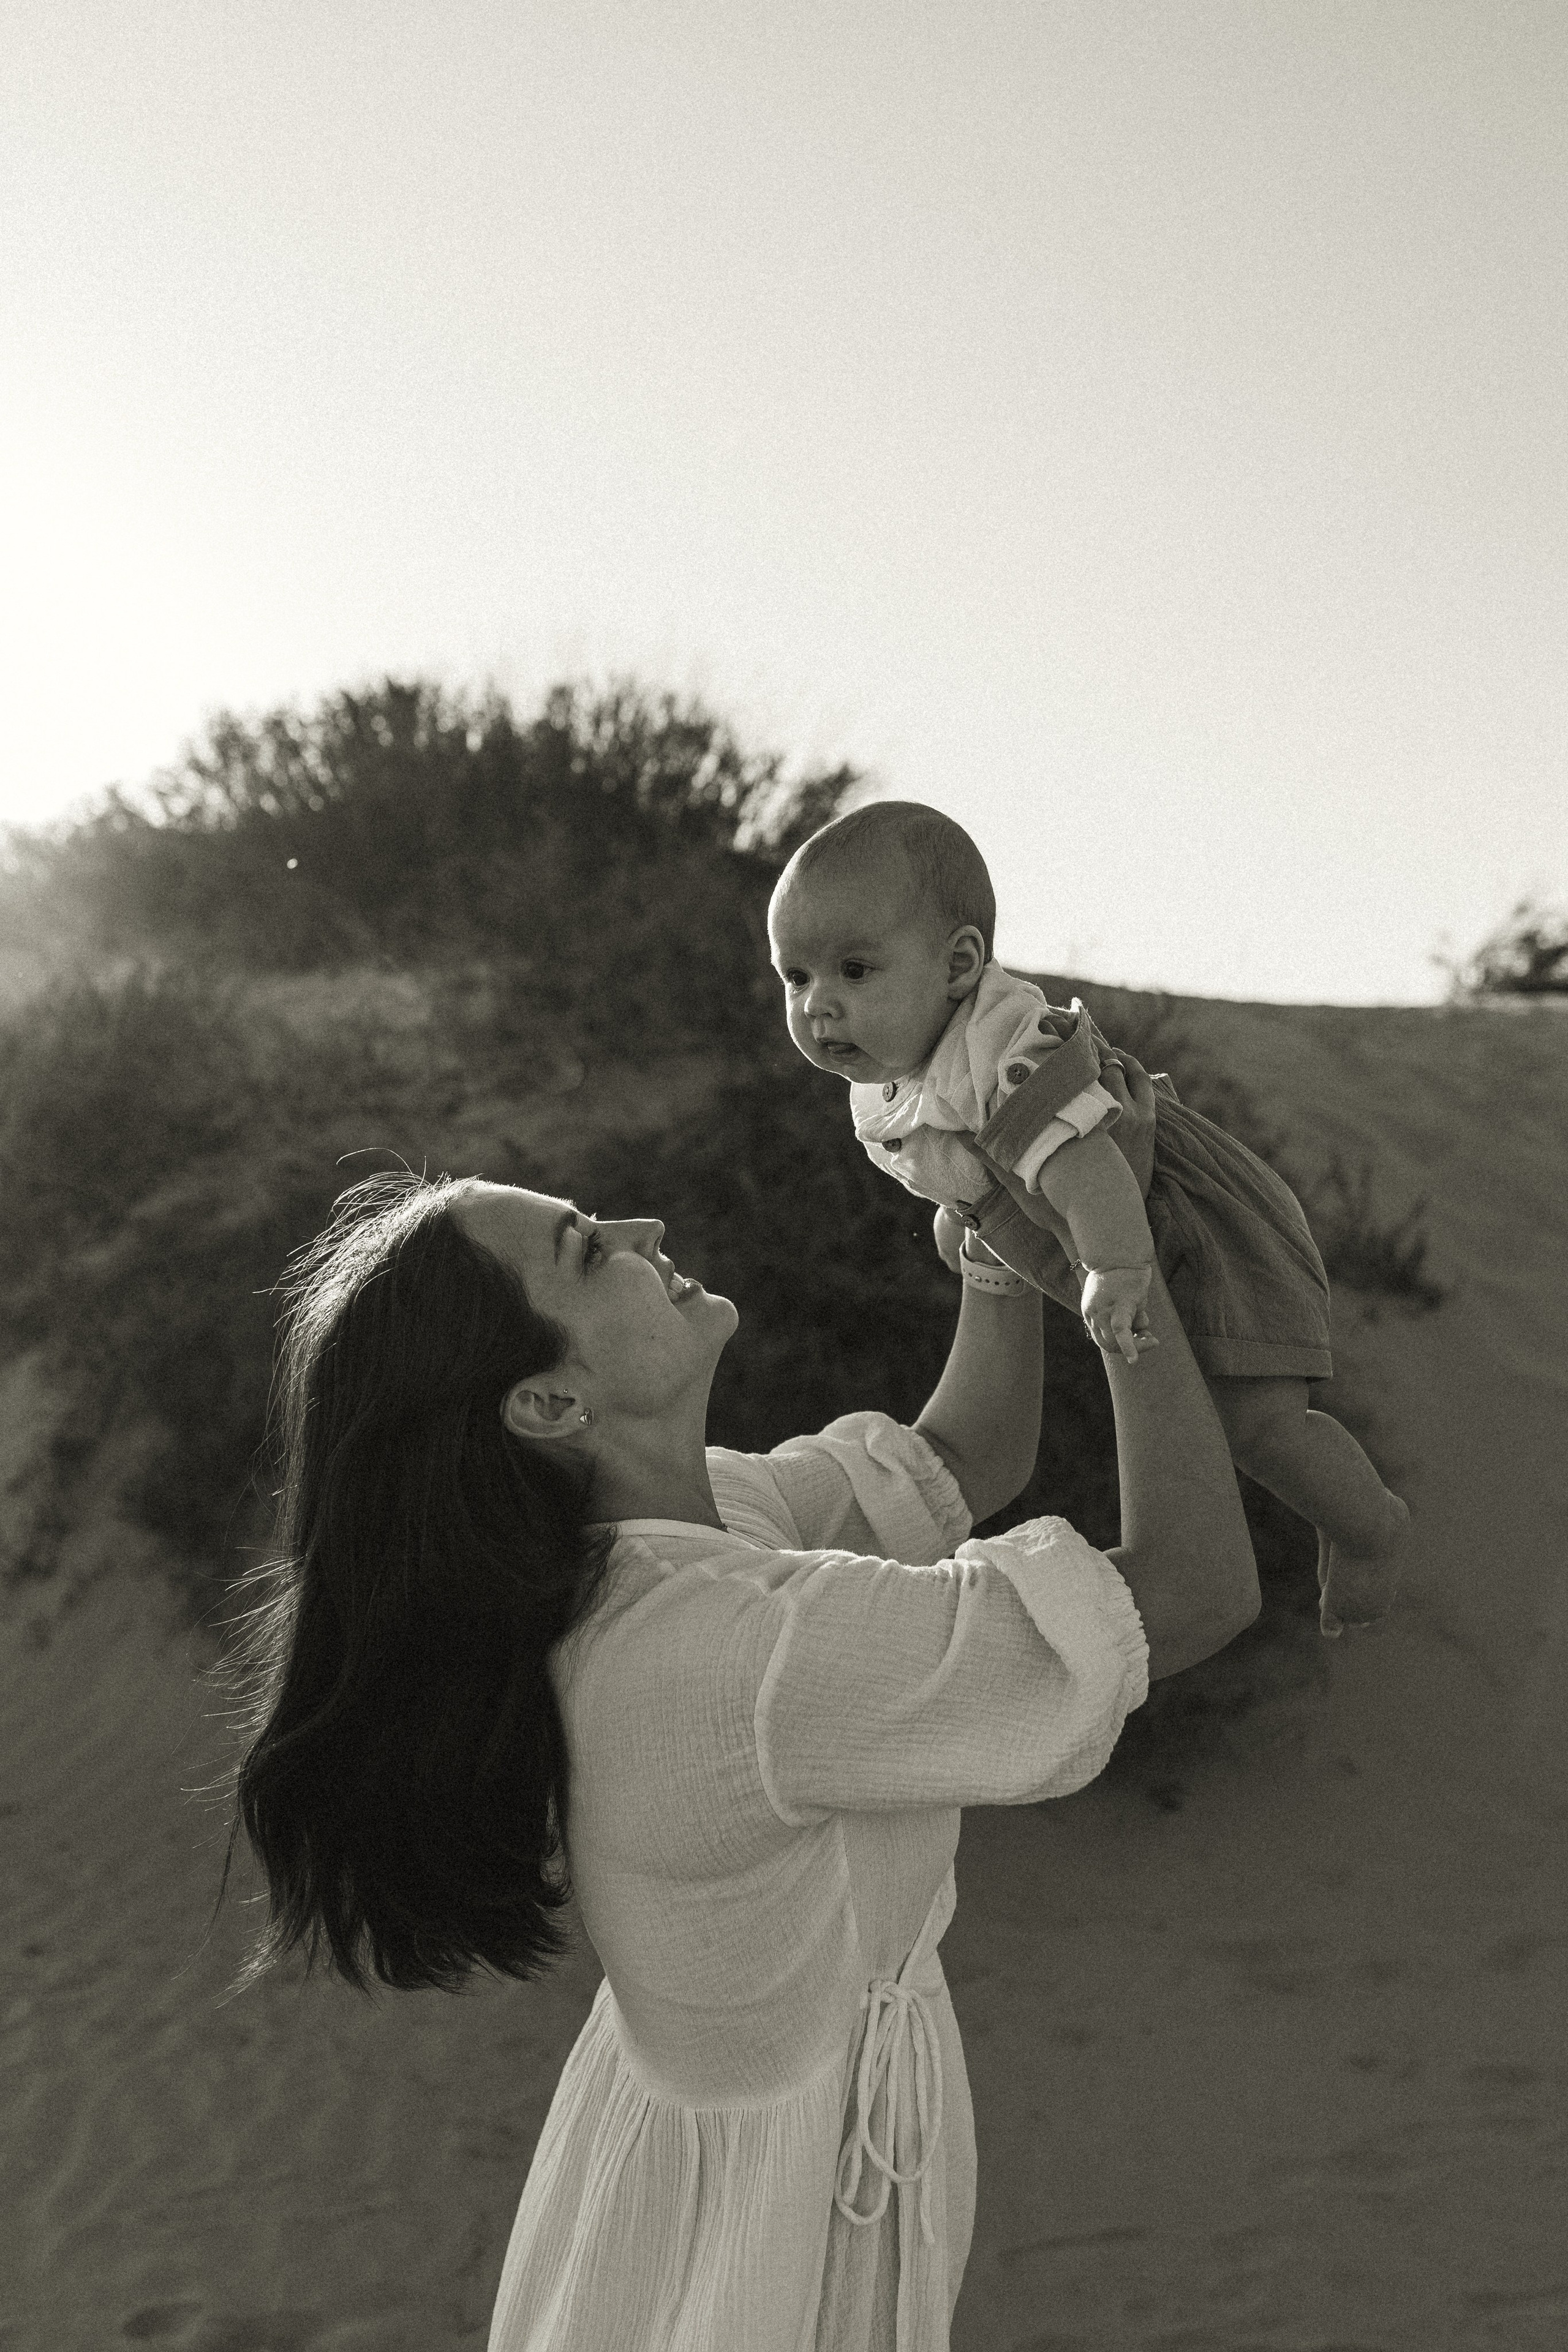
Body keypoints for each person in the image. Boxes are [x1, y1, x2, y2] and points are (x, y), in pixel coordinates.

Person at [213, 1063, 1273, 2352]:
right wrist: (1124, 1264)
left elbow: (963, 1461)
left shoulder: (654, 1542)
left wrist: (998, 1231)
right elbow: (1196, 1591)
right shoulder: (723, 1653)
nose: (641, 1232)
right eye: (586, 1250)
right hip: (756, 2253)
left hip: (710, 2167)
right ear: (550, 1403)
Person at [767, 798, 1409, 1640]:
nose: (820, 1004)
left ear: (960, 965)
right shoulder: (912, 1068)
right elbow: (986, 1179)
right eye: (796, 976)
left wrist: (1116, 1268)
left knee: (1259, 1424)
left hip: (1198, 1225)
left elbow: (1092, 1168)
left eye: (855, 971)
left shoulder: (1003, 1052)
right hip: (1120, 1228)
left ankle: (1373, 1532)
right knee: (1211, 1414)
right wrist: (975, 1222)